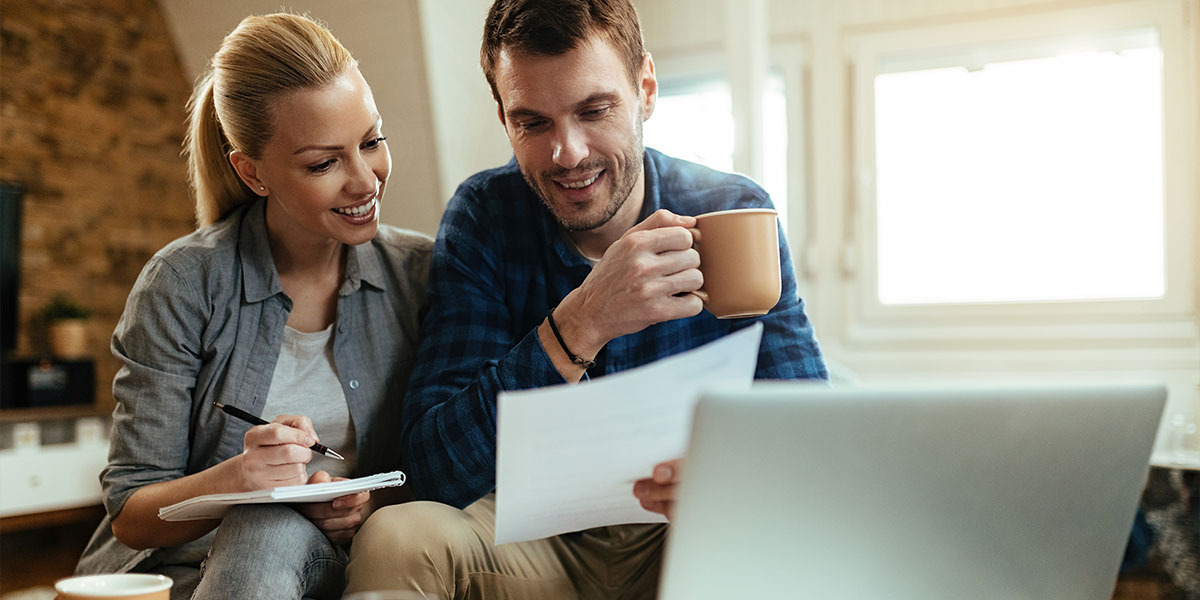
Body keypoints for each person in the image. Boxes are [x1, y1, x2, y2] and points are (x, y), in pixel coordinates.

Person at [345, 0, 826, 597]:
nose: (566, 153)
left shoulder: (731, 212)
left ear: (645, 89)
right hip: (531, 539)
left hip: (687, 532)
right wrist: (580, 322)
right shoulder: (486, 216)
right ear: (503, 119)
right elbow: (432, 470)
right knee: (396, 536)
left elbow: (814, 436)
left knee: (771, 538)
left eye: (594, 110)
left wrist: (734, 478)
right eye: (533, 122)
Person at [73, 13, 431, 600]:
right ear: (252, 171)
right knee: (261, 522)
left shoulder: (421, 275)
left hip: (332, 566)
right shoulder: (183, 284)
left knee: (268, 530)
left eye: (371, 141)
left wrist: (367, 505)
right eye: (323, 163)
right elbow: (132, 515)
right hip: (180, 574)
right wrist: (238, 479)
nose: (366, 180)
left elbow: (453, 458)